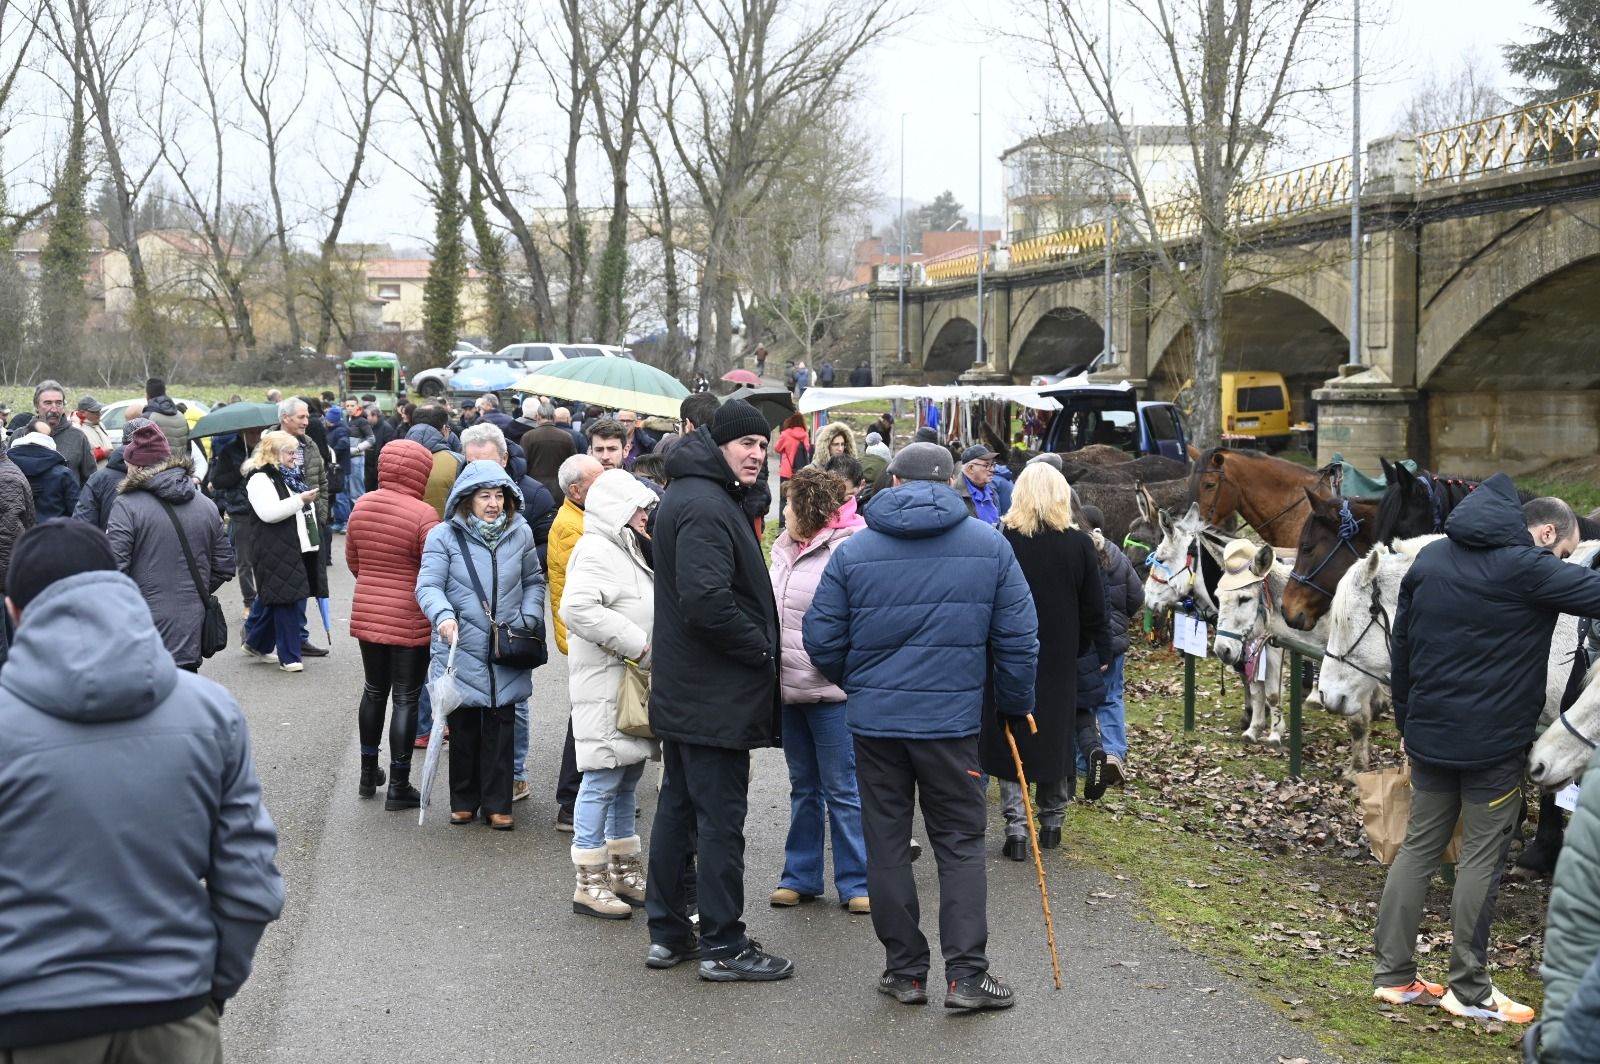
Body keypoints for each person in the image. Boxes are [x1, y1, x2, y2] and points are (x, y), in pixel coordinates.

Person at [0, 519, 283, 1061]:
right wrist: (207, 989)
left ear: (15, 611)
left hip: (33, 1019)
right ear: (117, 586)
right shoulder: (210, 710)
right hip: (173, 1006)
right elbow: (251, 884)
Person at [803, 441, 1038, 1011]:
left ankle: (906, 972)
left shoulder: (854, 552)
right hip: (952, 726)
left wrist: (860, 683)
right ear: (952, 481)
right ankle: (965, 976)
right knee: (958, 845)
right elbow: (1019, 640)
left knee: (885, 845)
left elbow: (820, 640)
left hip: (876, 725)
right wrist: (1011, 704)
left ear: (896, 483)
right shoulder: (990, 545)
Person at [1376, 481, 1600, 1025]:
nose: (1563, 562)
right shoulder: (1528, 567)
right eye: (1565, 552)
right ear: (1546, 532)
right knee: (1480, 859)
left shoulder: (1430, 559)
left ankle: (1394, 977)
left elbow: (1401, 648)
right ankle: (1469, 989)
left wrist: (1407, 720)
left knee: (1418, 850)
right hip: (1493, 745)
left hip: (1428, 734)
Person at [645, 399, 791, 981]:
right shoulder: (705, 503)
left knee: (678, 812)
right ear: (719, 445)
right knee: (719, 821)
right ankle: (725, 945)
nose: (757, 453)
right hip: (712, 694)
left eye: (763, 445)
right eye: (746, 444)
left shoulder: (697, 492)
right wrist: (759, 647)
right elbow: (706, 602)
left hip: (691, 691)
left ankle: (669, 933)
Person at [977, 465, 1108, 865]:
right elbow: (1094, 610)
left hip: (1007, 650)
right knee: (1054, 737)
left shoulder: (1001, 540)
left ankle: (1016, 828)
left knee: (1010, 735)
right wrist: (1083, 647)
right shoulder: (1080, 545)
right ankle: (1052, 822)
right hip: (1059, 655)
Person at [416, 461, 547, 831]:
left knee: (502, 723)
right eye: (484, 496)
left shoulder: (519, 533)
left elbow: (534, 581)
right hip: (458, 643)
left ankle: (497, 802)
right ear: (466, 500)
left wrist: (528, 617)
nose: (493, 503)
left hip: (506, 644)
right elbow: (427, 585)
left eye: (499, 495)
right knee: (464, 726)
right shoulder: (443, 536)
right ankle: (463, 799)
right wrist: (442, 615)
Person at [560, 469, 660, 919]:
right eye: (639, 507)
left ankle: (622, 871)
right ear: (619, 509)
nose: (645, 515)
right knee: (601, 778)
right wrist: (637, 643)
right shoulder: (598, 549)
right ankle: (589, 880)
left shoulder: (622, 546)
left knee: (626, 776)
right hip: (606, 682)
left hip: (624, 683)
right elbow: (576, 608)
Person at [769, 466, 869, 915]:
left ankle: (857, 881)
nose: (784, 510)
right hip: (789, 689)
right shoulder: (781, 548)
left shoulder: (850, 550)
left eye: (790, 503)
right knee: (802, 786)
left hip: (833, 693)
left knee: (843, 789)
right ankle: (800, 876)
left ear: (806, 509)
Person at [463, 422, 557, 804]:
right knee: (471, 698)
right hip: (471, 616)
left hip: (513, 621)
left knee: (513, 701)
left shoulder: (533, 496)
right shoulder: (463, 494)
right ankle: (476, 780)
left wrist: (527, 612)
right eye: (469, 464)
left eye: (485, 464)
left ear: (504, 458)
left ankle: (516, 773)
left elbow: (544, 552)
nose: (477, 473)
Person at [346, 439, 439, 810]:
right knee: (406, 697)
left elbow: (354, 562)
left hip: (368, 611)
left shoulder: (361, 505)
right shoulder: (423, 514)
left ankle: (368, 774)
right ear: (421, 472)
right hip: (409, 616)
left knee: (373, 690)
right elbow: (432, 571)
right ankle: (399, 784)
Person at [106, 424, 235, 673]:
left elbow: (113, 571)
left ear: (140, 467)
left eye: (129, 465)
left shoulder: (126, 505)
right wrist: (192, 591)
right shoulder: (206, 505)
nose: (126, 470)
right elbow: (224, 564)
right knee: (184, 699)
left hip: (142, 626)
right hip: (191, 624)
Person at [240, 430, 321, 673]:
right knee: (286, 600)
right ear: (274, 453)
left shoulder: (288, 475)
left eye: (295, 451)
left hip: (292, 544)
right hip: (272, 546)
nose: (294, 456)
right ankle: (290, 657)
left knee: (277, 599)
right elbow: (269, 513)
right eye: (289, 451)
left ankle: (256, 643)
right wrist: (301, 501)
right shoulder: (259, 479)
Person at [1078, 502, 1143, 787]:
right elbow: (1137, 596)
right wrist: (1121, 621)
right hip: (1115, 643)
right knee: (1112, 697)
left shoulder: (1080, 552)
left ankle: (1083, 759)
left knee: (1084, 700)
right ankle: (1115, 752)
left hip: (1087, 643)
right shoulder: (1118, 555)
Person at [10, 381, 96, 485]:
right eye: (48, 403)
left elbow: (91, 480)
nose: (54, 409)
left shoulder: (78, 437)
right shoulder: (19, 436)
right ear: (36, 406)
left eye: (59, 403)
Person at [8, 424, 80, 521]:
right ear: (49, 439)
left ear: (24, 435)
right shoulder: (63, 473)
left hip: (14, 533)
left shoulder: (6, 469)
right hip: (54, 531)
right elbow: (76, 512)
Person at [407, 404, 464, 519]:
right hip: (445, 531)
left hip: (406, 530)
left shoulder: (393, 457)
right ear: (444, 429)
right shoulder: (458, 461)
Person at [522, 405, 578, 499]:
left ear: (538, 417)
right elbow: (573, 464)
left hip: (535, 488)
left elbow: (523, 465)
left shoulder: (528, 437)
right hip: (560, 488)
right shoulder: (566, 437)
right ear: (554, 417)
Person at [955, 445, 1012, 527]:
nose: (993, 469)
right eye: (986, 465)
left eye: (992, 464)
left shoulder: (992, 492)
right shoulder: (955, 495)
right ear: (971, 468)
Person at [773, 413, 810, 529]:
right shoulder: (805, 435)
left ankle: (782, 525)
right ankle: (796, 523)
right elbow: (807, 449)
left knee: (784, 498)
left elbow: (777, 448)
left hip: (786, 472)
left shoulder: (785, 434)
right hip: (800, 472)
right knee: (798, 497)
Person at [143, 377, 192, 460]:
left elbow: (141, 450)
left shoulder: (148, 417)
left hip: (158, 470)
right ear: (164, 392)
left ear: (147, 394)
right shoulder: (181, 415)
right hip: (181, 467)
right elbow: (189, 447)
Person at [326, 404, 352, 532]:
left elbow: (344, 443)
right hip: (335, 469)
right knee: (336, 496)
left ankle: (346, 521)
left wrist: (332, 452)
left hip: (340, 469)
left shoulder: (341, 430)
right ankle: (338, 521)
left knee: (341, 496)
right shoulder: (332, 429)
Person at [73, 395, 112, 469]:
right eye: (95, 412)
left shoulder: (99, 424)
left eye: (99, 411)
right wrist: (100, 453)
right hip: (92, 477)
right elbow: (76, 457)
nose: (99, 414)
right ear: (82, 412)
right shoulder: (76, 429)